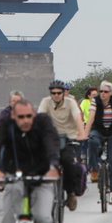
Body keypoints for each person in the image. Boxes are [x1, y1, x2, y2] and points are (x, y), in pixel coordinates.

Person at [38, 80, 87, 211]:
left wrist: (81, 133)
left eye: (59, 93)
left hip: (70, 137)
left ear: (64, 93)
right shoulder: (45, 102)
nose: (56, 95)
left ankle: (70, 193)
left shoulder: (70, 103)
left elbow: (77, 118)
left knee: (68, 162)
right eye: (53, 93)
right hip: (52, 138)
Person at [83, 81, 112, 204]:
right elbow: (91, 118)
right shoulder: (95, 101)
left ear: (111, 93)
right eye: (101, 91)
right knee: (92, 142)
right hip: (98, 130)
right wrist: (85, 133)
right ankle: (94, 168)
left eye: (105, 92)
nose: (102, 94)